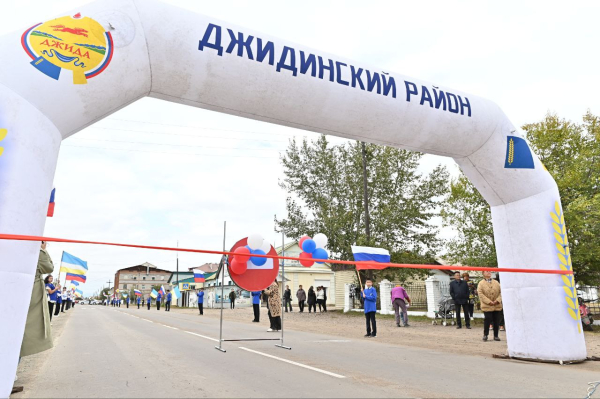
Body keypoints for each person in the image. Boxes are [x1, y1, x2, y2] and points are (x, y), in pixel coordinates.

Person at [20, 241, 55, 358]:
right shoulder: (32, 249)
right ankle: (8, 372)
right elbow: (48, 267)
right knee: (20, 334)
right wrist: (42, 249)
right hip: (26, 296)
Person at [477, 271, 502, 341]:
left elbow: (501, 292)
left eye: (489, 271)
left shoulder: (496, 282)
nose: (489, 273)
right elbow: (480, 294)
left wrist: (497, 300)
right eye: (487, 272)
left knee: (496, 320)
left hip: (497, 305)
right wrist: (489, 302)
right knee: (487, 320)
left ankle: (496, 335)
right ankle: (485, 335)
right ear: (483, 274)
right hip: (487, 305)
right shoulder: (481, 283)